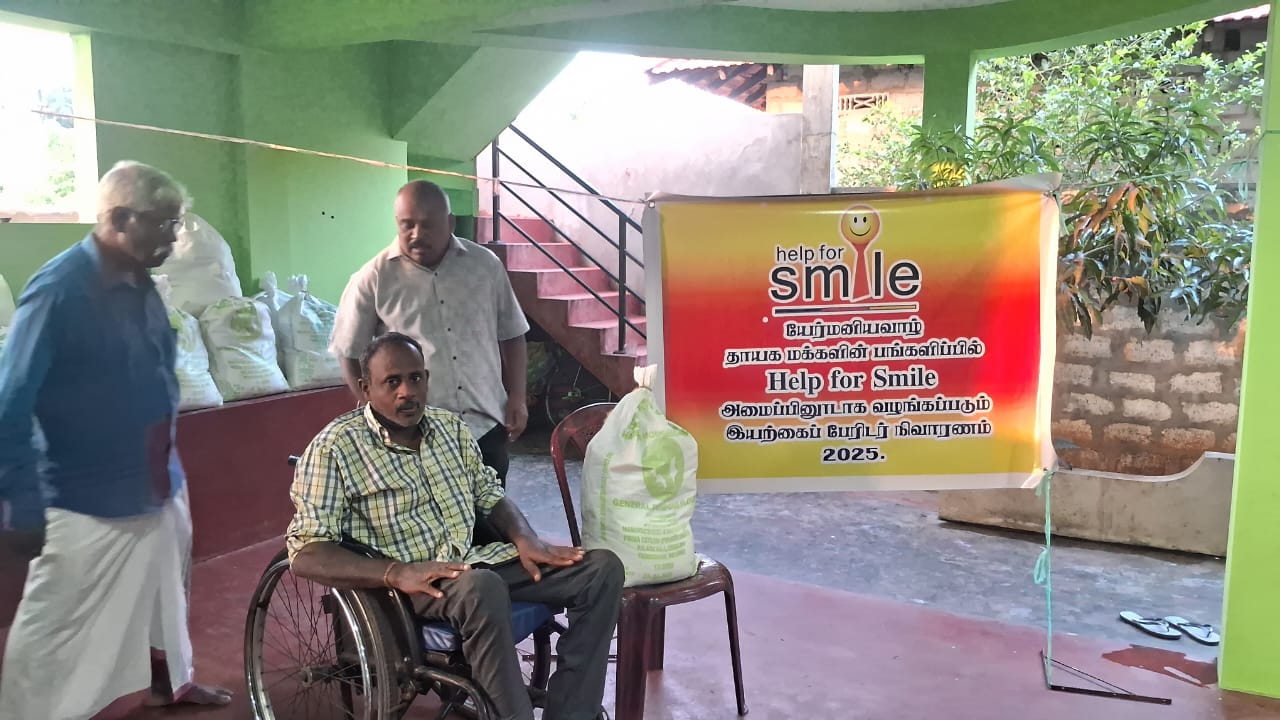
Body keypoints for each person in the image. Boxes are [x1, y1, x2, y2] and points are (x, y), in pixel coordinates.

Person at [288, 332, 622, 720]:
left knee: (602, 570)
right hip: (409, 585)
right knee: (481, 587)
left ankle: (572, 713)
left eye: (415, 378)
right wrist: (396, 572)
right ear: (365, 388)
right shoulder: (335, 447)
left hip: (475, 563)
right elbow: (306, 551)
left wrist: (525, 538)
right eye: (392, 382)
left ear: (427, 378)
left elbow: (489, 494)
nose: (406, 392)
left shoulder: (449, 428)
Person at [0, 161, 231, 719]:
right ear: (121, 218)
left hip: (156, 480)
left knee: (164, 594)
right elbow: (11, 402)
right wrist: (21, 503)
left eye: (176, 222)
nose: (174, 236)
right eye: (164, 223)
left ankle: (168, 683)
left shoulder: (140, 283)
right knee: (55, 624)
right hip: (85, 495)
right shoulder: (58, 291)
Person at [330, 179, 529, 486]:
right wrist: (378, 413)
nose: (416, 234)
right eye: (407, 225)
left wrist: (517, 397)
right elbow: (349, 352)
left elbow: (512, 334)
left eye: (427, 225)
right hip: (415, 436)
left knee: (493, 513)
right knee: (425, 516)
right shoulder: (373, 278)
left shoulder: (485, 267)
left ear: (450, 222)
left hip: (486, 426)